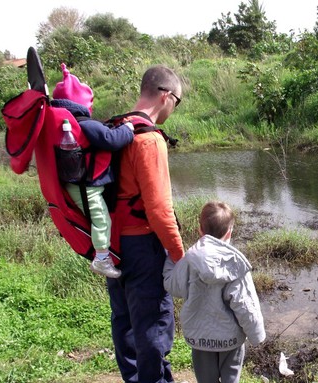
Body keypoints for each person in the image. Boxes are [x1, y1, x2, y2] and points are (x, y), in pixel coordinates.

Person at [108, 65, 186, 383]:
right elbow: (159, 211)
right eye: (177, 102)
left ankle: (134, 378)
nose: (174, 108)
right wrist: (181, 258)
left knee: (125, 319)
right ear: (166, 95)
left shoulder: (117, 127)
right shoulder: (150, 140)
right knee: (153, 322)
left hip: (112, 245)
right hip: (142, 246)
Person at [163, 201, 266, 383]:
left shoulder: (189, 260)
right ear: (229, 233)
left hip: (200, 339)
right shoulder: (236, 265)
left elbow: (172, 285)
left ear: (199, 230)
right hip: (230, 341)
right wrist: (256, 335)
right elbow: (246, 304)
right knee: (231, 379)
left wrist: (170, 259)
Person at [51, 63, 134, 279]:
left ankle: (103, 253)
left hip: (73, 183)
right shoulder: (84, 123)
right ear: (84, 104)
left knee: (96, 218)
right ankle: (102, 258)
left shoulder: (61, 124)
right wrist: (129, 129)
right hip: (87, 187)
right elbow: (111, 140)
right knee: (101, 219)